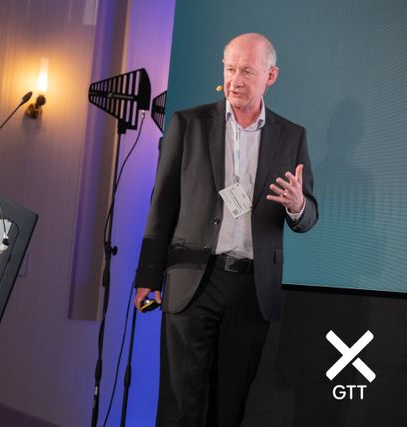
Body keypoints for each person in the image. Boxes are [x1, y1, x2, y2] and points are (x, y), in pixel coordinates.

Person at [133, 33, 318, 427]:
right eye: (230, 68)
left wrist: (297, 205)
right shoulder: (189, 124)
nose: (235, 79)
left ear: (270, 76)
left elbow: (309, 215)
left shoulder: (291, 136)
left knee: (229, 410)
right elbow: (162, 203)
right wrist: (148, 275)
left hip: (251, 288)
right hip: (193, 279)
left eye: (246, 71)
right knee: (179, 408)